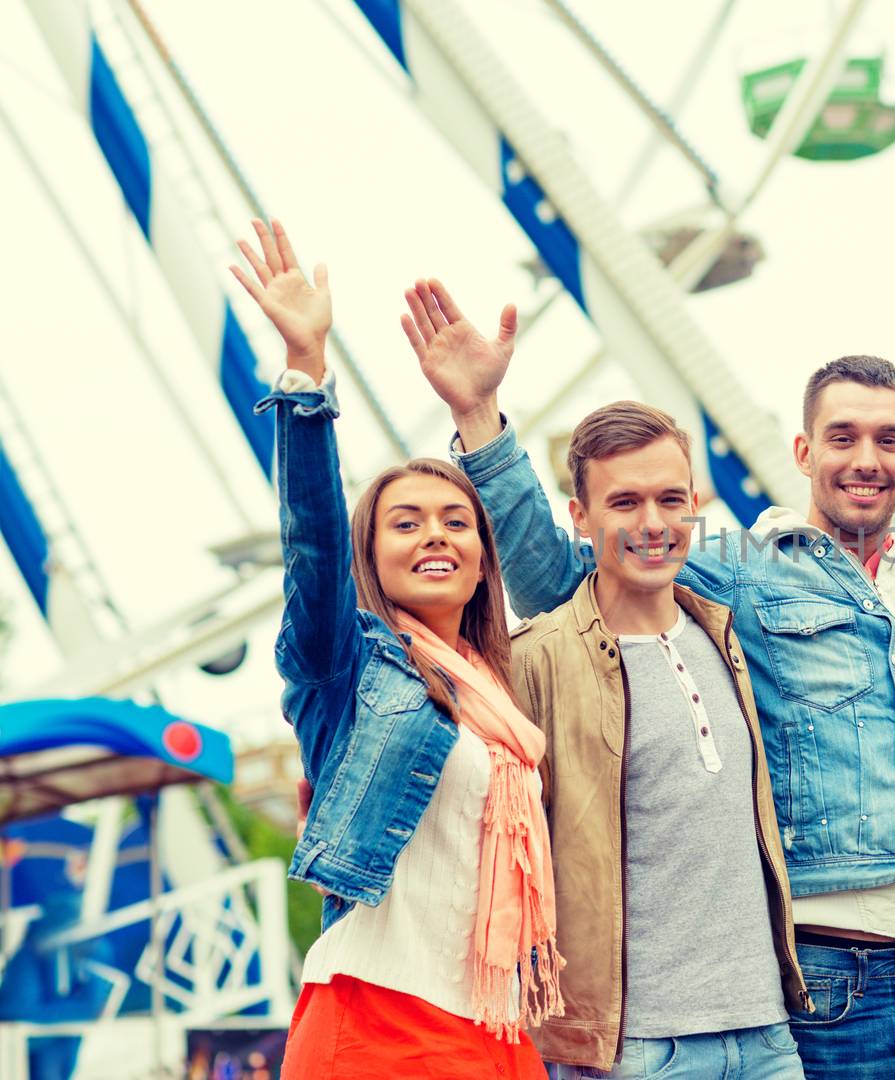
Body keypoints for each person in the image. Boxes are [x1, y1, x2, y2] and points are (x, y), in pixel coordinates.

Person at [402, 275, 895, 1078]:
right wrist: (480, 421)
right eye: (842, 438)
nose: (865, 459)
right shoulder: (739, 574)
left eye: (888, 440)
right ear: (803, 452)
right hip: (831, 974)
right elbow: (563, 580)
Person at [230, 221, 561, 1079]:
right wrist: (306, 369)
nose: (435, 537)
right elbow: (311, 548)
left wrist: (478, 414)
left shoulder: (505, 692)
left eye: (457, 522)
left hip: (495, 1023)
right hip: (378, 1015)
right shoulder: (345, 669)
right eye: (404, 523)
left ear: (485, 556)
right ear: (370, 553)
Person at [463, 395, 809, 1077]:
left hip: (767, 1035)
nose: (652, 524)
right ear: (580, 519)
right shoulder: (536, 660)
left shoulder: (728, 633)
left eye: (670, 499)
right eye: (624, 504)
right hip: (634, 1051)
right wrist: (476, 415)